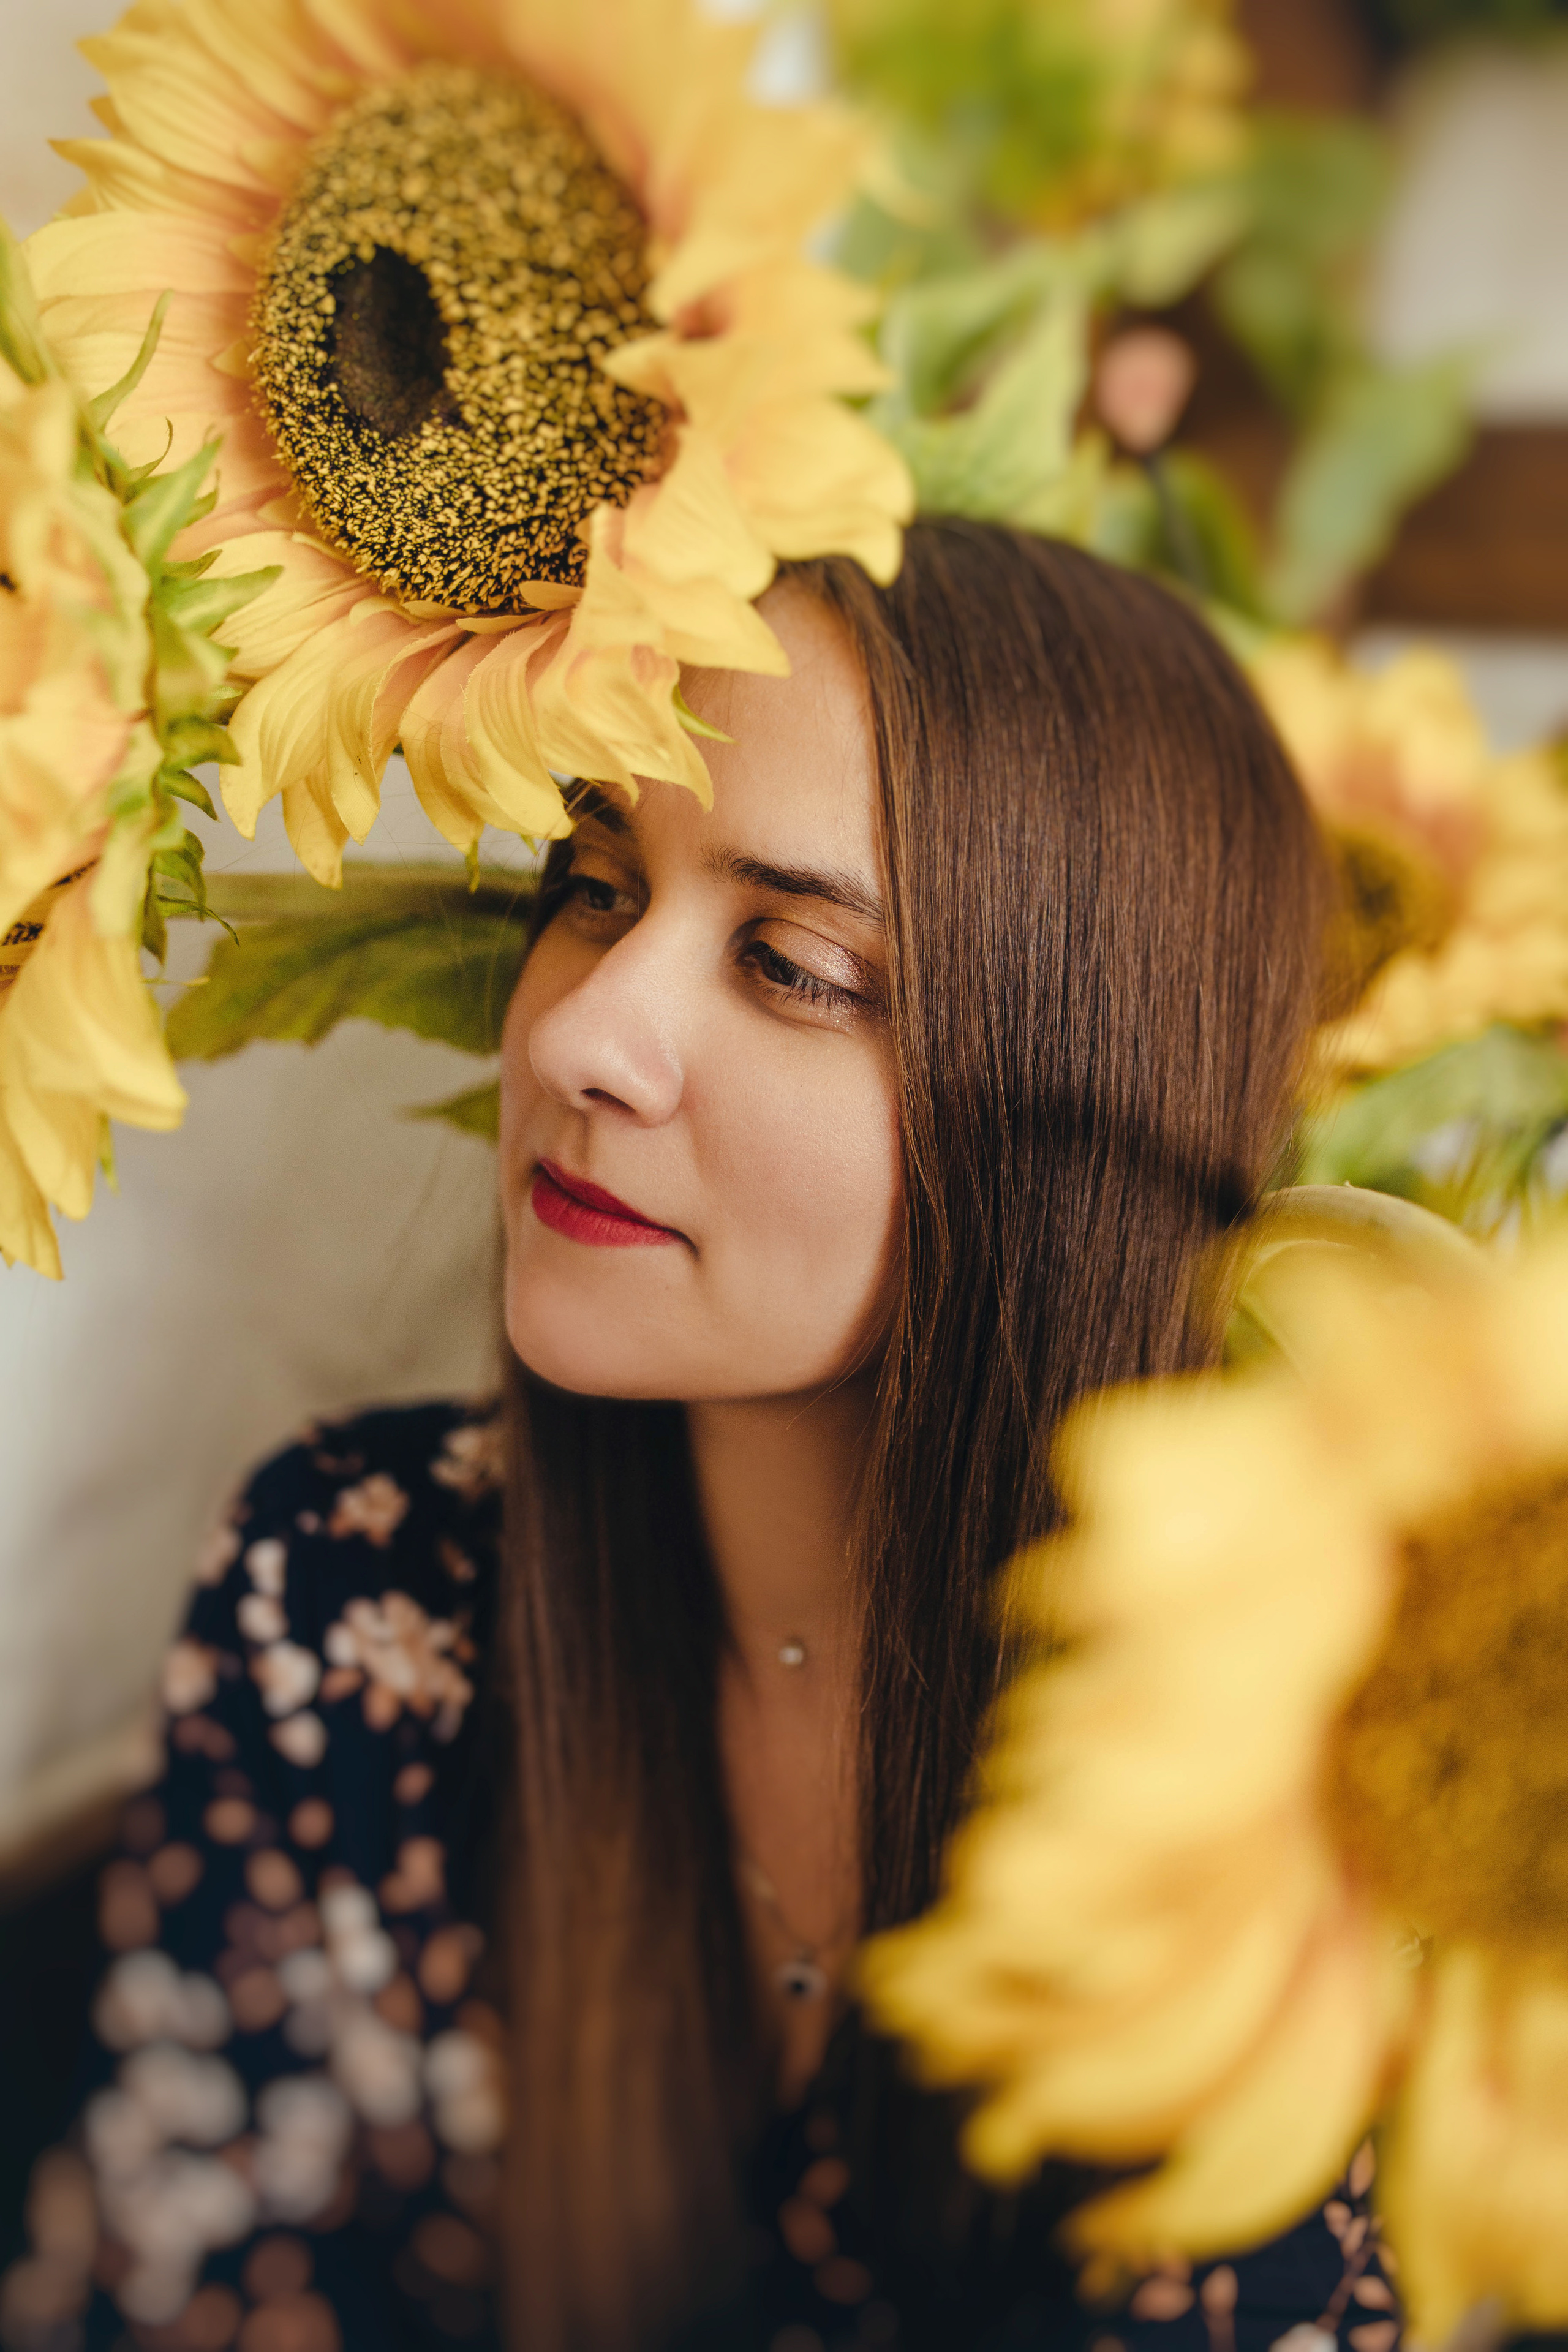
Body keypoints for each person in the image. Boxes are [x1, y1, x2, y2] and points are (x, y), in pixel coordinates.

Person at [1, 524, 1392, 2352]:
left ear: (1077, 1096)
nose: (584, 1033)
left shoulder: (1300, 1821)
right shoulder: (355, 1587)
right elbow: (188, 2295)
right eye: (596, 885)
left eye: (794, 963)